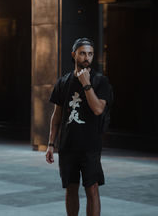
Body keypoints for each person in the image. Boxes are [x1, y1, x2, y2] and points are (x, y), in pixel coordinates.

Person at [46, 37, 111, 216]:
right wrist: (51, 144)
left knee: (92, 189)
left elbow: (98, 109)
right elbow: (57, 115)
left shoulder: (100, 81)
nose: (86, 58)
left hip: (90, 146)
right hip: (68, 146)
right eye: (82, 53)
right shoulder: (63, 82)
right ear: (74, 54)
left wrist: (86, 84)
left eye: (90, 54)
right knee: (71, 189)